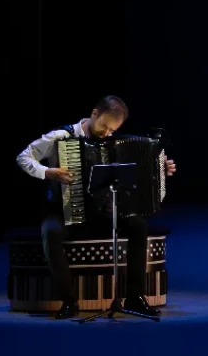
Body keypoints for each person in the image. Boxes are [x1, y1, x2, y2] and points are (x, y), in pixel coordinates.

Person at [16, 95, 177, 319]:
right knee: (51, 232)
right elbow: (23, 158)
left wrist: (161, 169)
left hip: (105, 212)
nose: (107, 133)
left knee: (138, 225)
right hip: (64, 210)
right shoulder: (62, 136)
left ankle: (134, 297)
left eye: (112, 129)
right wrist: (48, 172)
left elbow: (138, 173)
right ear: (94, 114)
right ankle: (69, 301)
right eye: (104, 126)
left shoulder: (114, 142)